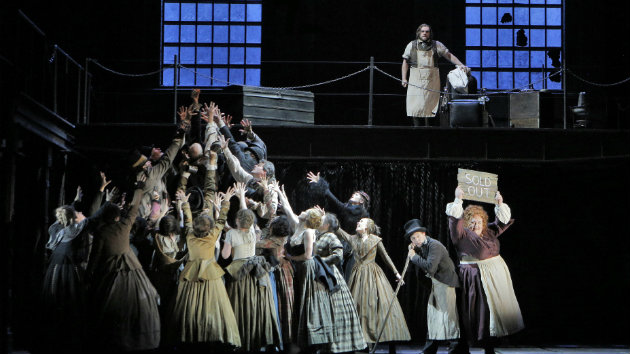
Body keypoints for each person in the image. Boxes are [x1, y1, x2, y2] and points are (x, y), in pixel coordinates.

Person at [86, 173, 161, 352]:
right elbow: (135, 207)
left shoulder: (100, 232)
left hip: (109, 271)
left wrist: (88, 277)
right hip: (130, 268)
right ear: (117, 217)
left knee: (107, 306)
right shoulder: (123, 225)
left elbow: (95, 258)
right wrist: (140, 187)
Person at [445, 186, 524, 354]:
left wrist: (499, 203)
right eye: (472, 222)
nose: (476, 225)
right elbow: (454, 221)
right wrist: (458, 199)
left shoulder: (489, 233)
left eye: (479, 222)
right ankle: (466, 345)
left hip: (495, 277)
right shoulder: (461, 235)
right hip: (475, 277)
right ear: (466, 224)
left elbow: (502, 222)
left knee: (492, 311)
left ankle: (490, 346)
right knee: (477, 311)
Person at [167, 186, 241, 348]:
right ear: (209, 228)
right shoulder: (212, 234)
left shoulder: (190, 234)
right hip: (210, 273)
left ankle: (191, 335)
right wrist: (226, 201)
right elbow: (221, 220)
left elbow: (187, 220)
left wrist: (185, 203)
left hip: (191, 273)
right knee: (214, 305)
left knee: (189, 304)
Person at [273, 183, 335, 352]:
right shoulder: (299, 226)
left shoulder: (308, 232)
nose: (302, 211)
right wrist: (279, 191)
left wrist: (292, 257)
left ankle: (311, 340)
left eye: (306, 212)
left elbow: (308, 255)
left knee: (306, 300)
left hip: (306, 267)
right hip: (298, 266)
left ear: (307, 218)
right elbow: (287, 208)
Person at [222, 183, 282, 352]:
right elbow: (247, 217)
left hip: (239, 272)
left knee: (239, 305)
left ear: (236, 220)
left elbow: (226, 256)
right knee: (256, 305)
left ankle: (240, 339)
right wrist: (241, 198)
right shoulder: (253, 232)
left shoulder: (231, 233)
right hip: (255, 271)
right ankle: (258, 340)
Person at [337, 218, 411, 347]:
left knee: (373, 302)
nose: (358, 223)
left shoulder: (375, 240)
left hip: (372, 274)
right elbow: (338, 230)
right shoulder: (353, 238)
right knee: (356, 303)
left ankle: (373, 337)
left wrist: (397, 273)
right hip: (357, 274)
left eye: (361, 222)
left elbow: (385, 257)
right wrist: (325, 217)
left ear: (367, 227)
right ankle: (358, 338)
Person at [404, 219, 465, 354]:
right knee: (433, 316)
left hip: (446, 283)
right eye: (413, 238)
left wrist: (414, 256)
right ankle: (429, 350)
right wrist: (415, 253)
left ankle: (456, 349)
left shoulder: (434, 245)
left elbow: (430, 268)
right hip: (435, 284)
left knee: (448, 316)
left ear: (424, 234)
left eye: (418, 236)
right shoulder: (421, 247)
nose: (416, 240)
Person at [315, 212, 367, 353]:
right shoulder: (316, 235)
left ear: (327, 225)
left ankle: (336, 346)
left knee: (334, 311)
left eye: (321, 221)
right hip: (317, 276)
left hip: (328, 276)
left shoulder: (331, 236)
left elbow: (338, 255)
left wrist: (318, 261)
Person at [401, 24, 468, 126]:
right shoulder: (411, 45)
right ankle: (416, 131)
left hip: (431, 79)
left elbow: (448, 55)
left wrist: (460, 64)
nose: (425, 33)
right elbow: (405, 62)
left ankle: (430, 132)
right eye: (423, 31)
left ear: (430, 33)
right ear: (419, 32)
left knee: (430, 106)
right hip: (416, 79)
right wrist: (404, 78)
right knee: (416, 106)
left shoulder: (436, 45)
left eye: (427, 31)